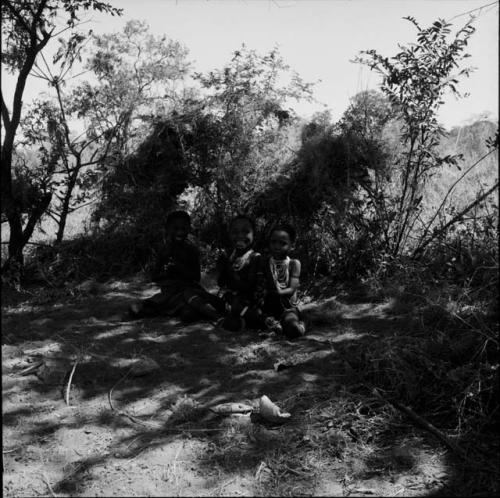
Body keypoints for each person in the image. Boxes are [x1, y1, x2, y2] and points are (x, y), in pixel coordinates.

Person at [129, 210, 224, 322]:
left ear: (189, 229)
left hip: (189, 290)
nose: (179, 232)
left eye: (183, 229)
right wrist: (166, 273)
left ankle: (203, 313)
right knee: (151, 304)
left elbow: (196, 277)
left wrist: (179, 268)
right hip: (170, 292)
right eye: (175, 229)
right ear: (167, 229)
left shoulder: (191, 250)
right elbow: (155, 277)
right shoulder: (163, 251)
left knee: (188, 312)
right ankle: (172, 309)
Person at [216, 214, 264, 331]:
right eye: (235, 232)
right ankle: (231, 318)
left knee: (236, 309)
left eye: (246, 232)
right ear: (229, 235)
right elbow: (221, 283)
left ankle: (252, 320)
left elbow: (247, 288)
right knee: (193, 295)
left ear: (254, 235)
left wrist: (228, 267)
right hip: (229, 299)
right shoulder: (230, 256)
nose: (240, 236)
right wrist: (222, 266)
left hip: (246, 302)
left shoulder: (255, 257)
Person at [260, 223, 306, 339]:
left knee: (294, 330)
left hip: (288, 308)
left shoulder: (294, 264)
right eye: (273, 242)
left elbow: (291, 290)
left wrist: (271, 293)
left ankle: (303, 323)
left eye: (283, 243)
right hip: (269, 309)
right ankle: (275, 326)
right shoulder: (265, 263)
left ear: (292, 246)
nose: (277, 246)